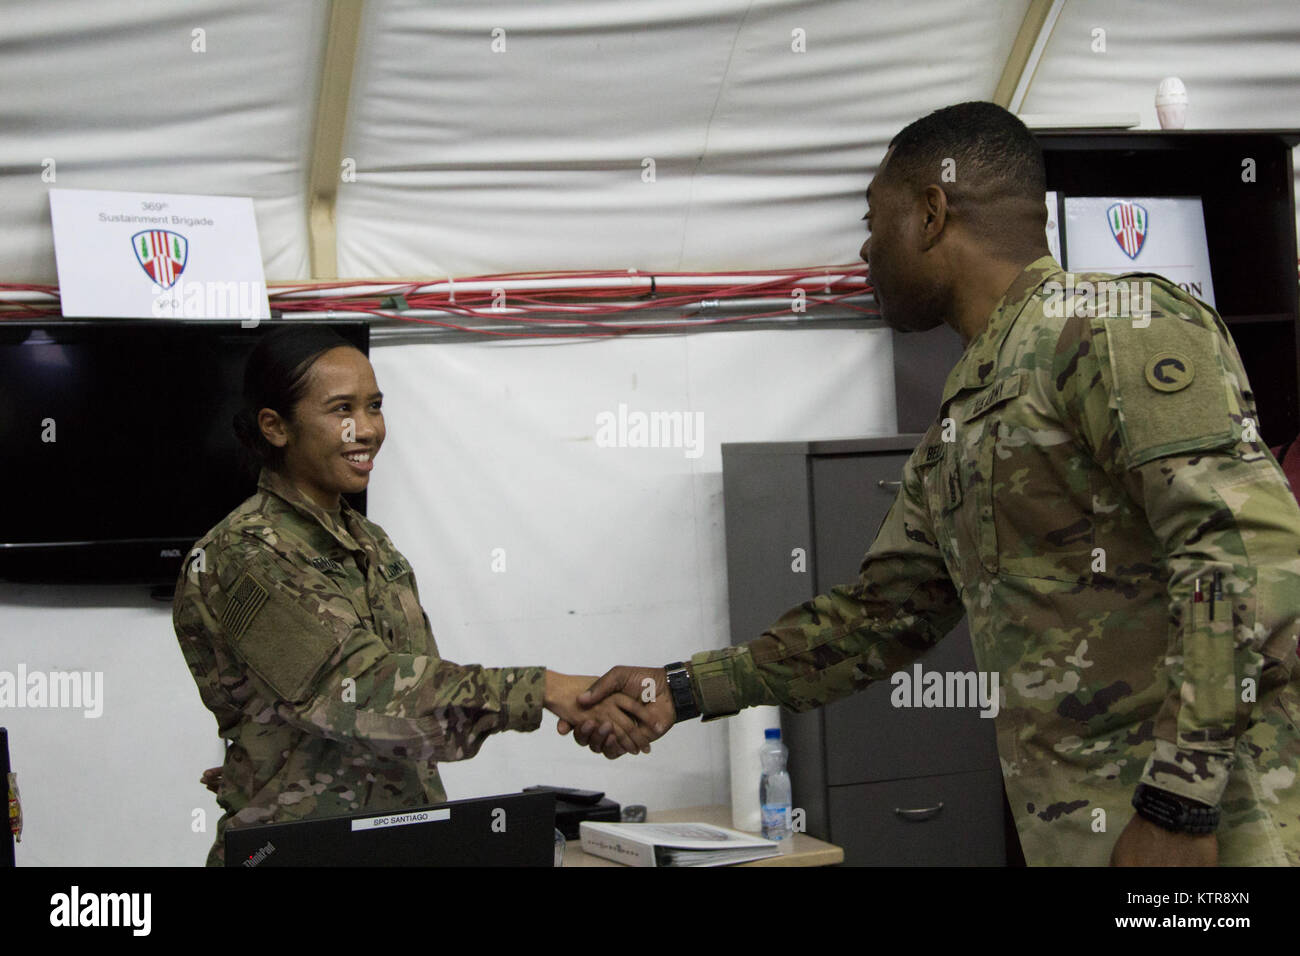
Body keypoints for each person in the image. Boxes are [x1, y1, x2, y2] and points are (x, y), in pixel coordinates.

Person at [562, 101, 1300, 867]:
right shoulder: (965, 420)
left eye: (873, 221)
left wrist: (1179, 807)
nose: (864, 250)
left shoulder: (1114, 327)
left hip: (1216, 833)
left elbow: (1245, 562)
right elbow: (872, 621)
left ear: (930, 213)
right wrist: (678, 690)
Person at [173, 325, 654, 866]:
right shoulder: (244, 556)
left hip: (403, 843)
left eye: (374, 406)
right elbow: (359, 692)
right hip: (296, 852)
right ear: (275, 426)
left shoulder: (371, 543)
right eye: (341, 409)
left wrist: (579, 707)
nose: (368, 429)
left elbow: (422, 701)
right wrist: (544, 689)